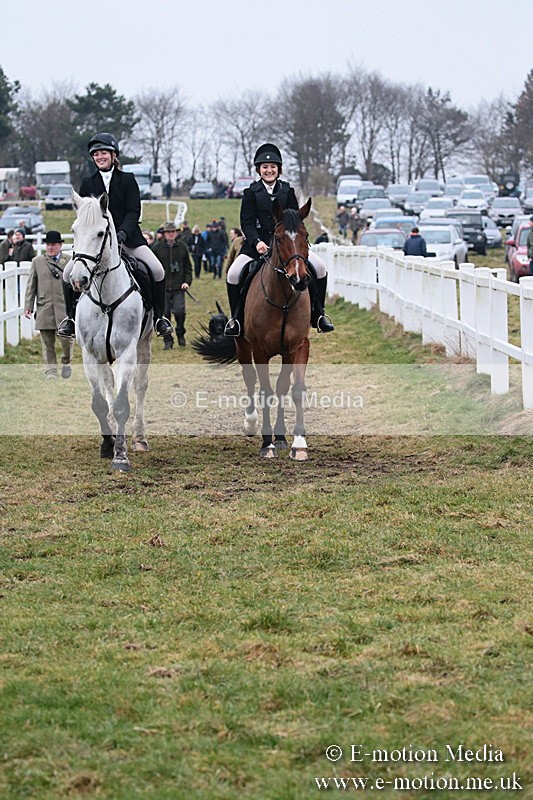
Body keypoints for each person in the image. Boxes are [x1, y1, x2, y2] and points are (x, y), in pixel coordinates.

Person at [57, 132, 172, 338]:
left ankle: (159, 318)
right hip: (95, 240)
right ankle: (71, 318)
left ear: (113, 155)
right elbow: (84, 216)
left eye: (103, 153)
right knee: (67, 274)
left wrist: (122, 233)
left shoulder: (128, 180)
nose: (100, 157)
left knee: (157, 270)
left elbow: (133, 211)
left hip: (127, 238)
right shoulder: (87, 183)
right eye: (96, 154)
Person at [224, 142, 334, 336]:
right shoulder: (251, 193)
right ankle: (236, 320)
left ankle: (319, 314)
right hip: (257, 245)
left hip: (287, 245)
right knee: (233, 274)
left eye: (273, 167)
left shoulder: (287, 191)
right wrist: (257, 242)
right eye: (265, 167)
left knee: (320, 268)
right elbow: (247, 223)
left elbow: (295, 220)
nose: (269, 170)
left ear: (279, 169)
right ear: (259, 170)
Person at [24, 231, 73, 379]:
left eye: (53, 245)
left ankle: (66, 362)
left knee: (66, 340)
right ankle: (51, 372)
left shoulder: (69, 261)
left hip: (64, 308)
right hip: (44, 307)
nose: (50, 248)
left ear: (60, 245)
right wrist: (28, 306)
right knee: (47, 343)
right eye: (48, 245)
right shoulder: (37, 262)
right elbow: (31, 285)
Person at [152, 222, 193, 349]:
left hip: (178, 287)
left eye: (173, 232)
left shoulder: (182, 247)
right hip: (162, 288)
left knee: (180, 311)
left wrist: (187, 282)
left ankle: (180, 332)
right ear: (164, 234)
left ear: (176, 233)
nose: (171, 234)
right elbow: (152, 267)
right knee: (165, 314)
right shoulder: (157, 248)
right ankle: (168, 340)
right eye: (168, 232)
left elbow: (188, 267)